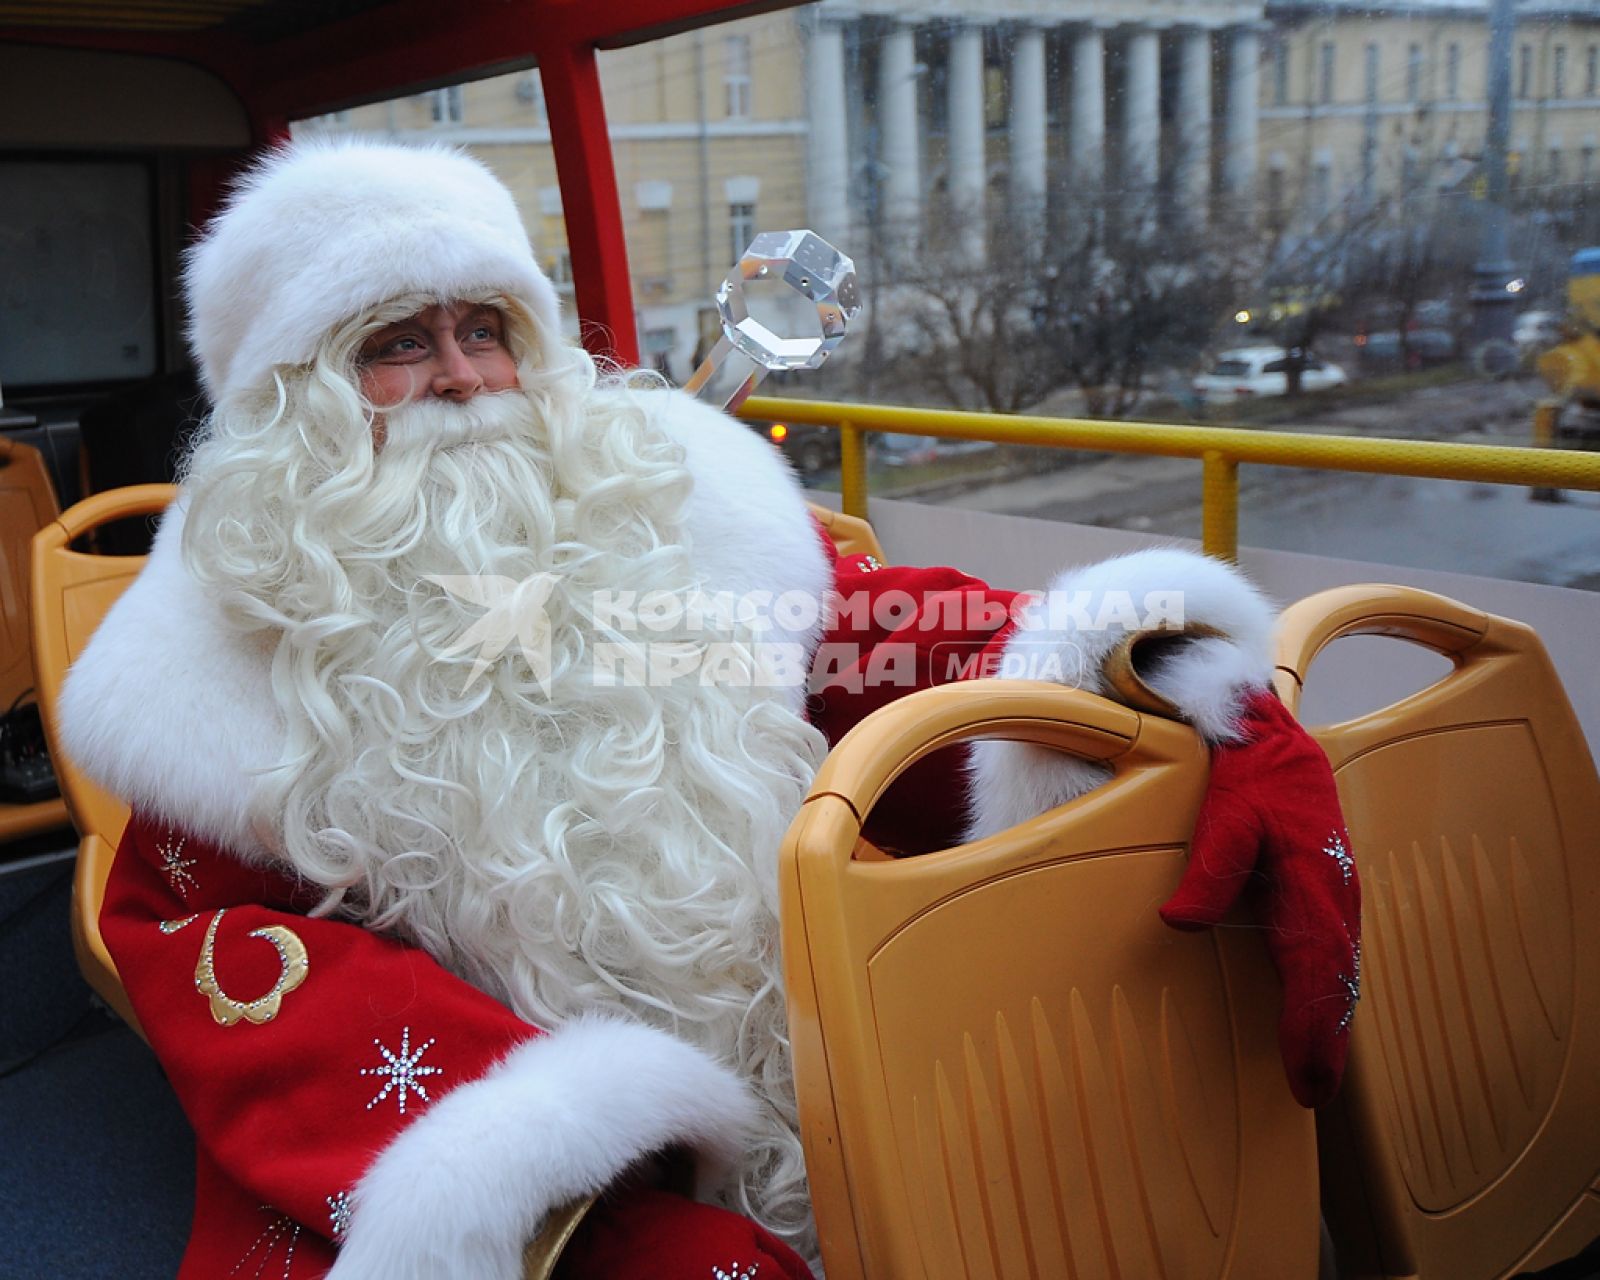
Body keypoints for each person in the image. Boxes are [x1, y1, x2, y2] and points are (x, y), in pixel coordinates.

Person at [59, 139, 1358, 1279]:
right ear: (299, 401)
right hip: (556, 1134)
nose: (464, 379)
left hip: (839, 1038)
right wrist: (572, 1192)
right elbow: (223, 957)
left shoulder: (653, 497)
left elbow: (869, 631)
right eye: (398, 344)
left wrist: (1168, 671)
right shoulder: (209, 665)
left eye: (487, 330)